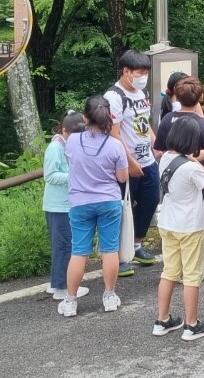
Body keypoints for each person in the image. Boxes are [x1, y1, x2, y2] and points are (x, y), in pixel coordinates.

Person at [60, 96, 130, 315]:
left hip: (80, 203)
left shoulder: (71, 141)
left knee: (79, 252)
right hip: (108, 201)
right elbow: (122, 177)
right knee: (109, 250)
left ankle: (70, 301)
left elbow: (73, 164)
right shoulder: (116, 145)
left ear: (84, 117)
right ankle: (109, 296)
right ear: (109, 117)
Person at [154, 117, 204, 342]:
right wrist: (198, 162)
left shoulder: (164, 159)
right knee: (192, 274)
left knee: (169, 271)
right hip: (189, 226)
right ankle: (191, 325)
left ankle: (162, 320)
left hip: (168, 223)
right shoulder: (191, 167)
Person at [152, 75, 204, 279]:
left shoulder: (166, 120)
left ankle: (175, 268)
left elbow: (160, 150)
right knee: (195, 223)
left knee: (173, 218)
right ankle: (192, 268)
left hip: (170, 177)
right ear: (201, 97)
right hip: (197, 178)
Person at [105, 50, 160, 268]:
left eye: (146, 72)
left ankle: (136, 245)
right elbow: (114, 134)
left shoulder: (141, 92)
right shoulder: (114, 97)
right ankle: (120, 255)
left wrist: (157, 145)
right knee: (123, 207)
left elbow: (145, 124)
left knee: (150, 200)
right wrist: (129, 162)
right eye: (140, 72)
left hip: (147, 159)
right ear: (126, 71)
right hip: (125, 164)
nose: (143, 76)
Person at [44, 111, 89, 303]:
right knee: (64, 246)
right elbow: (50, 175)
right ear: (64, 131)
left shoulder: (69, 145)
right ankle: (62, 288)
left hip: (66, 204)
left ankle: (57, 283)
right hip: (58, 206)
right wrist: (74, 176)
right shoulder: (55, 147)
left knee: (63, 245)